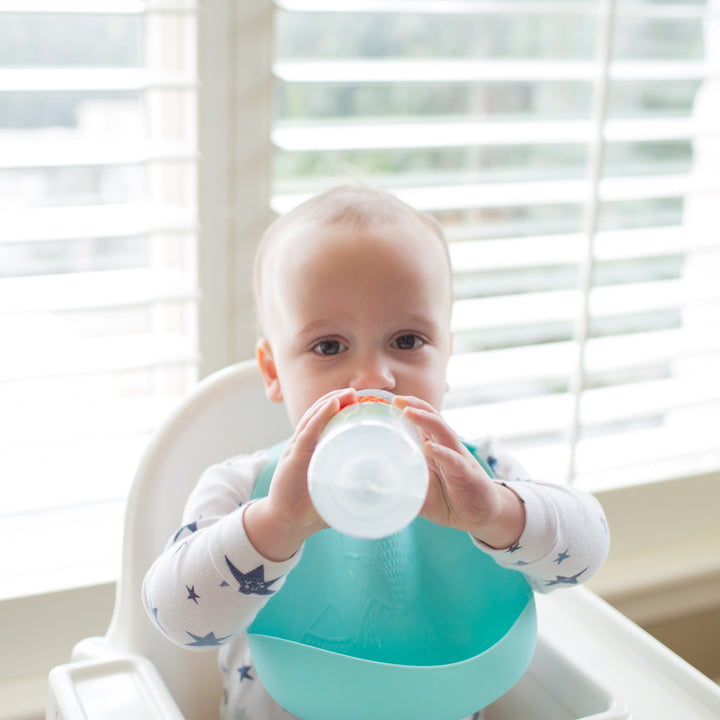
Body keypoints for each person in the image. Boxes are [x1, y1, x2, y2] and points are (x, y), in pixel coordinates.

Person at [143, 185, 609, 720]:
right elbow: (176, 615)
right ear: (273, 371)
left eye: (407, 340)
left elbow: (586, 552)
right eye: (329, 346)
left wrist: (497, 513)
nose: (373, 377)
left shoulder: (482, 476)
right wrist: (274, 526)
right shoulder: (243, 488)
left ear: (446, 355)